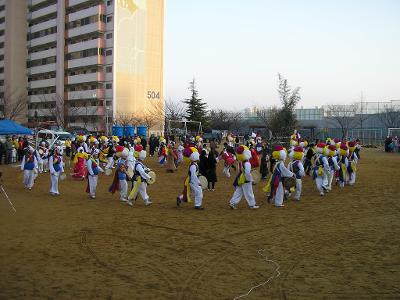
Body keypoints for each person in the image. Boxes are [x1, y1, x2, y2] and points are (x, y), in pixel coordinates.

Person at [229, 145, 259, 209]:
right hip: (245, 180)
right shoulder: (247, 163)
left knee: (238, 191)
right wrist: (251, 180)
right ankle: (252, 204)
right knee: (249, 192)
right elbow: (247, 173)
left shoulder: (241, 162)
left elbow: (241, 171)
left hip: (240, 179)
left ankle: (232, 202)